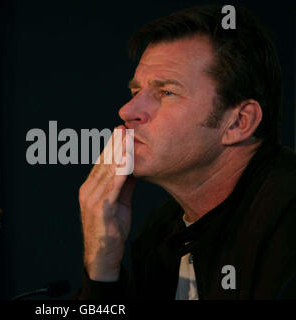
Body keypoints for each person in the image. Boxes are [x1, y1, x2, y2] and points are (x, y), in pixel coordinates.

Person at [75, 4, 296, 299]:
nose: (127, 110)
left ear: (238, 123)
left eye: (166, 92)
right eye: (134, 92)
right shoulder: (160, 235)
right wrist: (102, 267)